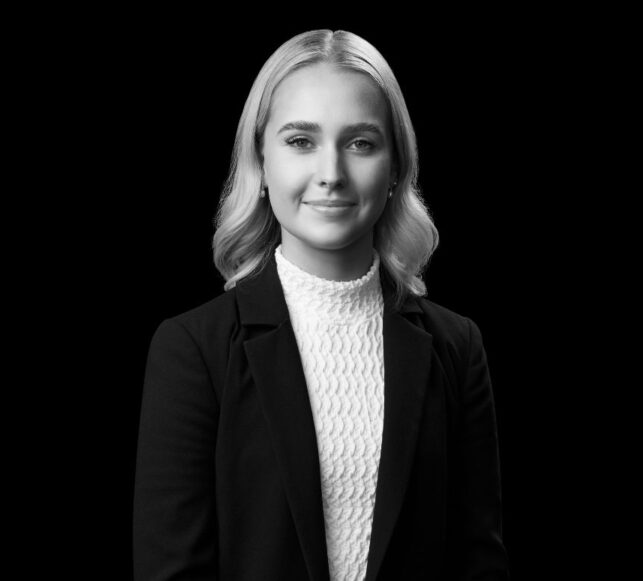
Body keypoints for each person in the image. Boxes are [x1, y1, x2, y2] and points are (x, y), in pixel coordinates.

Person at [133, 29, 509, 581]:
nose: (331, 174)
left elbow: (479, 564)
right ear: (260, 162)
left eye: (361, 143)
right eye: (300, 141)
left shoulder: (457, 348)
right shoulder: (193, 350)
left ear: (396, 168)